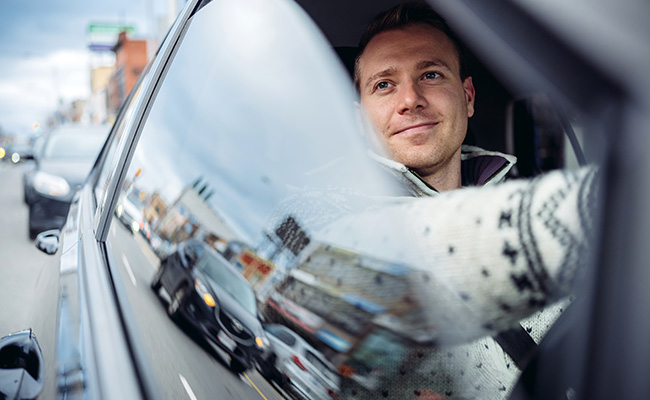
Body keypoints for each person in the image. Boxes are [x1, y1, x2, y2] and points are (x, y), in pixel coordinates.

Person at [324, 2, 599, 399]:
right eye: (384, 84)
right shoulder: (327, 213)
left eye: (431, 74)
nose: (410, 99)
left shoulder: (513, 191)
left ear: (467, 96)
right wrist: (602, 213)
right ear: (359, 120)